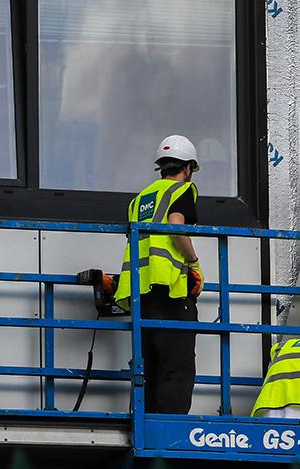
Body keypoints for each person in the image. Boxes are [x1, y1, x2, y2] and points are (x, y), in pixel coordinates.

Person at [115, 134, 205, 414]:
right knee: (176, 365)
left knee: (148, 364)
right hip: (170, 289)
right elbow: (176, 225)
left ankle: (147, 421)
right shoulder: (182, 191)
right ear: (188, 167)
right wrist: (194, 262)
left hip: (141, 292)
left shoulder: (141, 198)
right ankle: (171, 428)